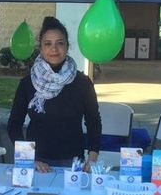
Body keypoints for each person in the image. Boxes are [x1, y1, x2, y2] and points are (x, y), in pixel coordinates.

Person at [7, 16, 102, 173]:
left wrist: (92, 159)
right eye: (48, 44)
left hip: (73, 164)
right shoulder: (28, 83)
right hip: (37, 163)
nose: (54, 49)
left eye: (60, 43)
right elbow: (14, 124)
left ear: (67, 46)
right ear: (41, 48)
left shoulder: (82, 83)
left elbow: (94, 122)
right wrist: (29, 159)